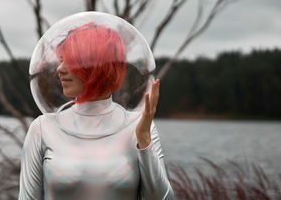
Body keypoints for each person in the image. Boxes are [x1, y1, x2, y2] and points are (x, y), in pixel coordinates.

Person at [19, 22, 174, 200]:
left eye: (69, 61)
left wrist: (144, 143)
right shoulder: (42, 128)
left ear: (96, 65)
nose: (59, 69)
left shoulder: (138, 126)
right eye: (61, 61)